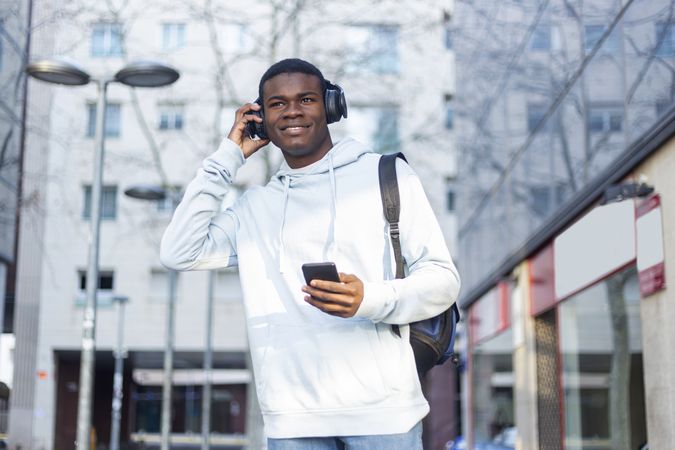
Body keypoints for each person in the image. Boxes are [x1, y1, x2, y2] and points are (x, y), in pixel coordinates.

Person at [160, 58, 460, 449]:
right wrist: (227, 157)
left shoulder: (386, 177)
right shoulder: (255, 209)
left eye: (306, 99)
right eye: (277, 104)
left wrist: (369, 299)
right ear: (260, 119)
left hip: (384, 415)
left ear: (331, 107)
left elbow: (443, 280)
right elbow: (178, 251)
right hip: (292, 423)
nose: (293, 112)